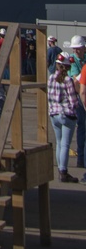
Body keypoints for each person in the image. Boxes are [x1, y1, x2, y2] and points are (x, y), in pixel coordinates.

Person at [49, 51, 80, 181]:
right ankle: (63, 171)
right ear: (67, 66)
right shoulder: (67, 80)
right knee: (66, 145)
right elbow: (73, 101)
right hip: (66, 114)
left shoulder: (50, 77)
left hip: (53, 114)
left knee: (59, 143)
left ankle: (60, 170)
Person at [69, 34, 86, 168]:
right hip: (80, 98)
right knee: (82, 128)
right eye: (74, 49)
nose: (75, 51)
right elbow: (76, 81)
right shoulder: (73, 61)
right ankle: (81, 159)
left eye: (78, 48)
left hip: (83, 93)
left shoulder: (83, 59)